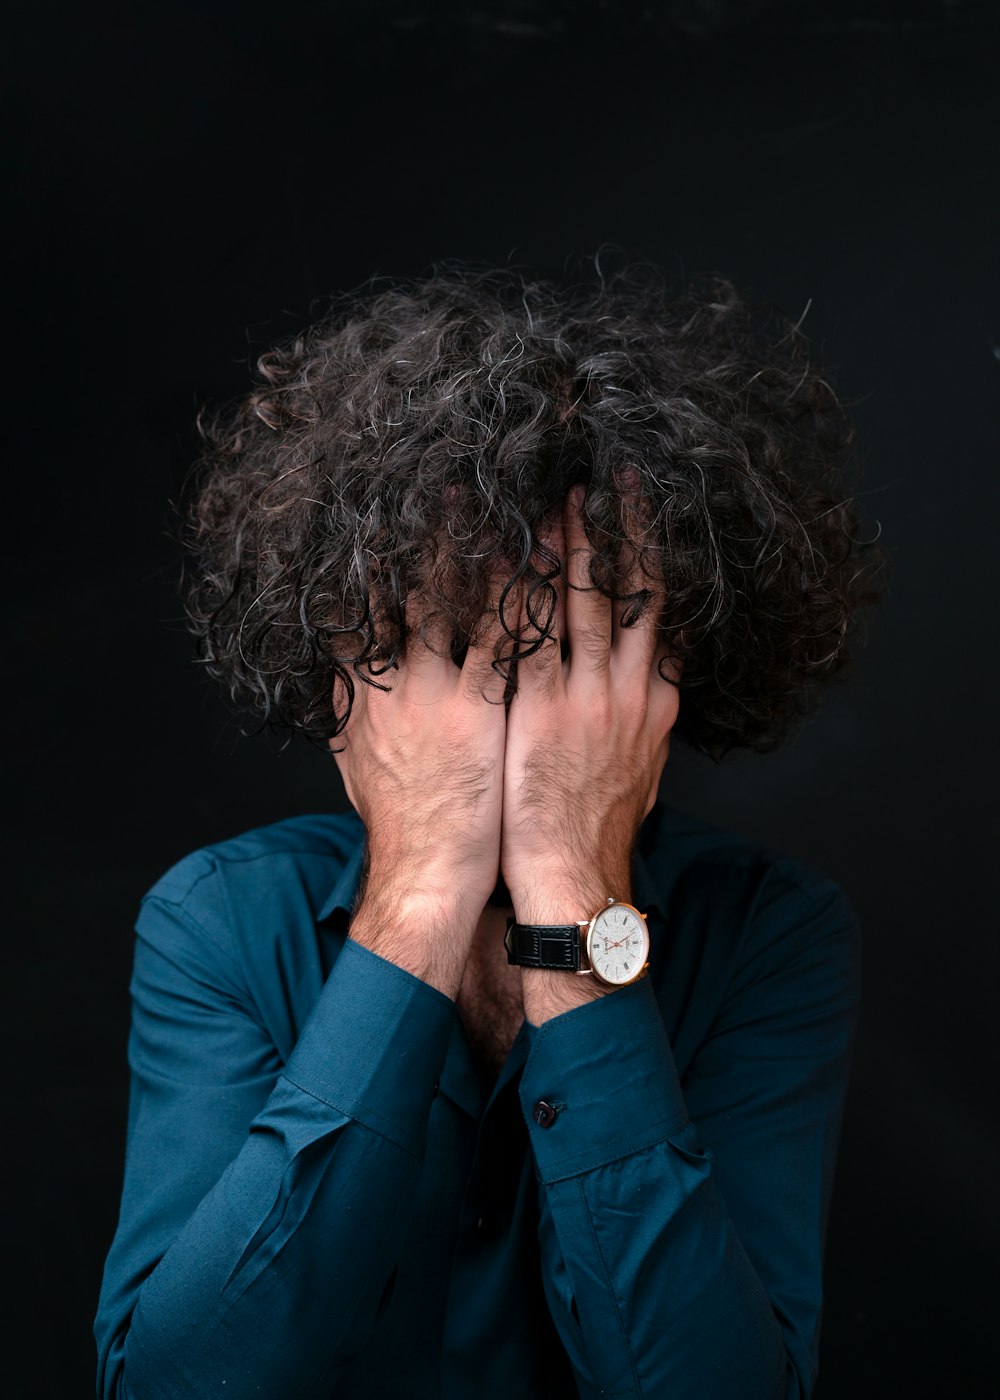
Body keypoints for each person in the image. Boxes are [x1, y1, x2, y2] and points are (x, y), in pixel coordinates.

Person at [94, 260, 883, 1399]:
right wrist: (419, 897)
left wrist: (570, 885)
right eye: (457, 654)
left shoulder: (769, 933)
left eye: (568, 658)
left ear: (657, 691)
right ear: (353, 688)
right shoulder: (220, 921)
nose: (511, 718)